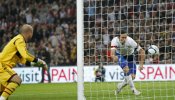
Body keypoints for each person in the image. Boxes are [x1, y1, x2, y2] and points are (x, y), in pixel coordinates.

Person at [0, 24, 48, 100]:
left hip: (3, 65)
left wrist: (37, 64)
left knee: (4, 94)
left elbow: (23, 60)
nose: (31, 36)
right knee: (17, 80)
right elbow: (25, 55)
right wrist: (39, 61)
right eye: (32, 33)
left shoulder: (18, 41)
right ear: (29, 33)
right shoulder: (20, 39)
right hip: (2, 65)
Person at [111, 31, 145, 95]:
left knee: (132, 77)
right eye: (122, 37)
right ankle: (133, 89)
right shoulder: (114, 41)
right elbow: (112, 53)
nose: (124, 39)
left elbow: (142, 51)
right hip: (120, 55)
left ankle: (120, 86)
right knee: (126, 69)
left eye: (125, 37)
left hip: (130, 56)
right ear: (118, 37)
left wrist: (141, 64)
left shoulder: (130, 41)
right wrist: (114, 57)